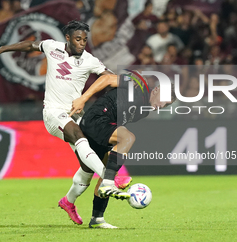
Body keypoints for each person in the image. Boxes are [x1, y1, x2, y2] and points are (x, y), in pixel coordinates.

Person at [0, 20, 131, 225]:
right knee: (80, 137)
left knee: (87, 166)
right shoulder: (52, 47)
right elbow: (30, 45)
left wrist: (129, 82)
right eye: (78, 39)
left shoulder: (90, 60)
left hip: (75, 115)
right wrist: (1, 49)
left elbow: (108, 77)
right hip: (53, 113)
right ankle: (110, 180)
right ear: (68, 38)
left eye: (85, 40)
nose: (82, 43)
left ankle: (68, 201)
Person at [67, 71, 176, 228]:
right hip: (96, 119)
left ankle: (97, 219)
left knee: (106, 173)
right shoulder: (138, 85)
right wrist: (83, 99)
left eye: (166, 105)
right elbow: (106, 79)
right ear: (157, 89)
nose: (161, 106)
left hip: (104, 127)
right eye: (163, 101)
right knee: (128, 138)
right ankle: (108, 184)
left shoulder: (143, 111)